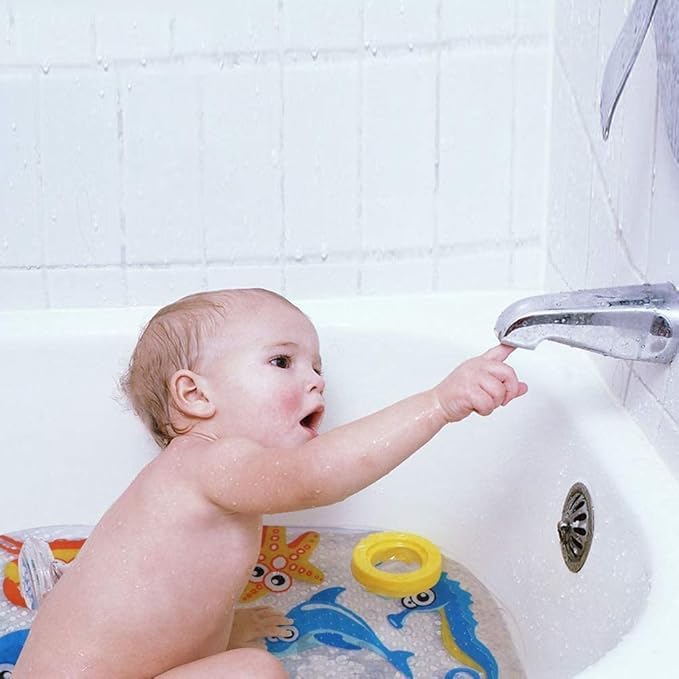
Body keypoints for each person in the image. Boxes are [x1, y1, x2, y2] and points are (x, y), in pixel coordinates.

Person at [14, 288, 527, 678]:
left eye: (316, 366)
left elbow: (163, 597)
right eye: (282, 361)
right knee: (255, 672)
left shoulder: (200, 473)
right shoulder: (212, 462)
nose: (317, 379)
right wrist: (439, 404)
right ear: (195, 396)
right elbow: (316, 475)